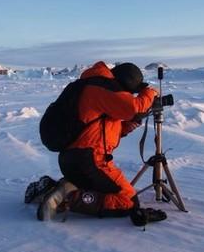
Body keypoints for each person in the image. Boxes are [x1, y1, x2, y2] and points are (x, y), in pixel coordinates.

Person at [36, 61, 167, 225]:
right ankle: (66, 199)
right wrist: (150, 93)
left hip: (73, 160)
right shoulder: (100, 88)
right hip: (89, 161)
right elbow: (133, 108)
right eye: (129, 92)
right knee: (127, 201)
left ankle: (56, 188)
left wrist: (134, 121)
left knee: (104, 191)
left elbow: (104, 130)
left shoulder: (91, 88)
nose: (129, 95)